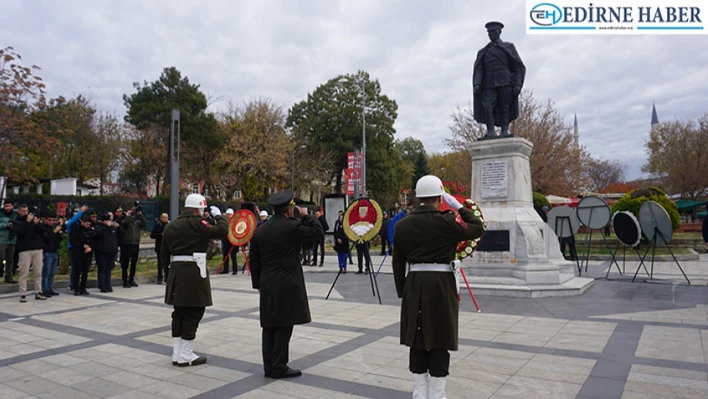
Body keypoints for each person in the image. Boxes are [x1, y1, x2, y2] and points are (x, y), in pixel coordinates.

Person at [393, 175, 485, 399]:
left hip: (414, 285)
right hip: (441, 286)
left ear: (417, 197)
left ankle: (419, 394)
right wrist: (459, 206)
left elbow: (398, 262)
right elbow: (477, 228)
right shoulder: (446, 222)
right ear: (440, 196)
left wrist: (403, 290)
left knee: (417, 339)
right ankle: (437, 395)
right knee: (439, 339)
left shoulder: (402, 224)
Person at [249, 190, 323, 378]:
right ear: (289, 210)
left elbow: (254, 260)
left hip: (267, 282)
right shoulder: (292, 227)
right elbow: (317, 232)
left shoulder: (260, 230)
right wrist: (307, 216)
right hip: (288, 283)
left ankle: (269, 367)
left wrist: (257, 283)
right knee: (284, 325)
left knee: (269, 325)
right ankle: (279, 366)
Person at [161, 194, 228, 367]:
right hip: (193, 271)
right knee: (194, 311)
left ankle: (177, 352)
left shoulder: (170, 226)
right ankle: (185, 353)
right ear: (198, 209)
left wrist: (168, 275)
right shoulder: (197, 223)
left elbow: (163, 254)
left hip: (175, 270)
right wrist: (219, 216)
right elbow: (221, 231)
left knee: (179, 312)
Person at [473, 21, 526, 139]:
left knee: (504, 107)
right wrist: (477, 83)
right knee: (487, 106)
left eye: (493, 31)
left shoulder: (508, 47)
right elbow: (479, 69)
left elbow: (518, 67)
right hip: (488, 83)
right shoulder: (483, 51)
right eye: (489, 32)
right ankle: (490, 132)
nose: (490, 34)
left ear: (499, 32)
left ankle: (504, 131)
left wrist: (518, 85)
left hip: (505, 82)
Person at [13, 204, 48, 302]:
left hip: (37, 248)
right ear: (19, 211)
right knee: (24, 273)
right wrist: (27, 222)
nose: (25, 213)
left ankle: (38, 292)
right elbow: (19, 232)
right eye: (23, 211)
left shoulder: (34, 219)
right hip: (25, 250)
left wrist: (38, 224)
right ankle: (22, 294)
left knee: (38, 272)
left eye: (26, 210)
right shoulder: (17, 221)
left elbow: (43, 232)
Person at [119, 205, 146, 288]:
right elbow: (125, 223)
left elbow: (144, 223)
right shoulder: (124, 221)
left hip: (135, 244)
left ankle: (131, 279)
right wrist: (128, 214)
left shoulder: (136, 223)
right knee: (125, 263)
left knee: (134, 263)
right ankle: (125, 280)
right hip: (126, 244)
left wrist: (140, 215)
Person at [70, 214, 95, 296]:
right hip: (78, 253)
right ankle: (76, 288)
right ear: (82, 222)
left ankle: (83, 288)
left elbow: (93, 240)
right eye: (86, 224)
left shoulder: (90, 230)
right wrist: (82, 246)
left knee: (85, 271)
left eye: (89, 224)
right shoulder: (76, 229)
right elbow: (73, 241)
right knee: (77, 271)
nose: (88, 226)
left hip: (88, 253)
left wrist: (90, 247)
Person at [41, 213, 65, 296]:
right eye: (49, 220)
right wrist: (54, 232)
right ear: (45, 220)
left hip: (54, 251)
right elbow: (46, 237)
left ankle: (50, 288)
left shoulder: (54, 228)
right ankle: (45, 289)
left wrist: (59, 232)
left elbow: (59, 238)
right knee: (46, 272)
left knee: (52, 272)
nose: (51, 222)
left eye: (53, 220)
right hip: (47, 251)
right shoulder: (43, 228)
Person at [94, 213, 119, 292]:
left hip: (111, 252)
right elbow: (98, 234)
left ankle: (108, 285)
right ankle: (102, 285)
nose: (109, 222)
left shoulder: (112, 228)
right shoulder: (99, 227)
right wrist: (105, 227)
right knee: (102, 269)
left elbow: (117, 236)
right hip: (102, 252)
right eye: (107, 220)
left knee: (108, 269)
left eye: (109, 220)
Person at [0, 200, 18, 283]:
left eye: (9, 206)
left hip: (12, 240)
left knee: (10, 259)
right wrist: (7, 225)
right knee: (1, 257)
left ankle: (8, 276)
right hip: (2, 239)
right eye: (6, 206)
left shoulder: (15, 215)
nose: (7, 208)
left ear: (12, 206)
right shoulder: (1, 213)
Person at [151, 213, 170, 283]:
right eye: (163, 217)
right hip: (160, 246)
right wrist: (160, 235)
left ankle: (167, 277)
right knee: (160, 262)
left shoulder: (169, 225)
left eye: (166, 217)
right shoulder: (158, 225)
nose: (165, 219)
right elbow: (152, 235)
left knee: (168, 263)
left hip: (168, 246)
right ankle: (160, 277)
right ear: (161, 218)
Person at [219, 208, 237, 274]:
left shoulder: (235, 222)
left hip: (232, 241)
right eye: (228, 215)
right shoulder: (224, 222)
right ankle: (225, 269)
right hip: (225, 240)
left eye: (230, 215)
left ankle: (235, 270)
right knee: (225, 255)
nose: (229, 216)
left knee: (233, 256)